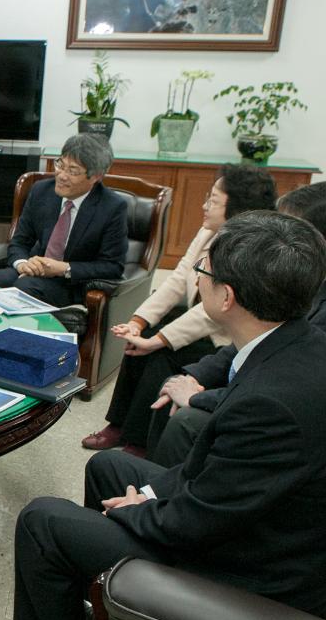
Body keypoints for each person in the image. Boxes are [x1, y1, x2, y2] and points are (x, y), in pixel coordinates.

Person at [0, 211, 326, 620]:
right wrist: (144, 495)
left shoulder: (273, 401)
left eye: (203, 273)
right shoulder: (295, 345)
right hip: (259, 519)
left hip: (264, 572)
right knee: (110, 469)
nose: (195, 280)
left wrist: (131, 511)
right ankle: (105, 607)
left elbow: (197, 522)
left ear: (227, 297)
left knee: (43, 521)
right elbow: (220, 479)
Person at [150, 181, 326, 465]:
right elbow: (256, 337)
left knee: (187, 421)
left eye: (288, 227)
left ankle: (163, 499)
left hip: (324, 435)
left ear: (319, 240)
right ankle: (148, 483)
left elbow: (283, 390)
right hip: (283, 394)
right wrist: (197, 377)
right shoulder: (315, 276)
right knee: (174, 383)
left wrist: (196, 397)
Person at [81, 164, 276, 456]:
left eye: (213, 200)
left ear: (238, 209)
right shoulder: (209, 230)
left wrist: (157, 341)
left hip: (222, 338)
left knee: (160, 353)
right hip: (197, 320)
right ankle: (118, 424)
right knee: (140, 338)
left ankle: (140, 440)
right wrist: (138, 322)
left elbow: (210, 315)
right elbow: (177, 277)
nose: (204, 206)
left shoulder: (250, 249)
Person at [0, 133, 128, 308]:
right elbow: (19, 242)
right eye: (60, 164)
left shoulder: (112, 207)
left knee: (25, 287)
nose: (62, 175)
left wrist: (63, 268)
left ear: (96, 176)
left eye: (73, 171)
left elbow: (112, 266)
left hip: (71, 283)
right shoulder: (41, 191)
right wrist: (23, 264)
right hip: (34, 271)